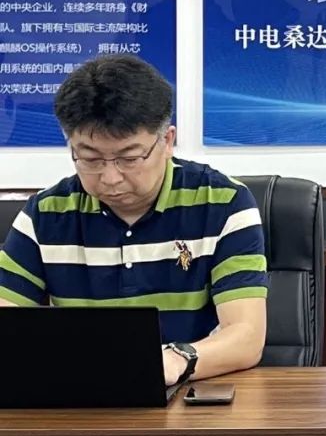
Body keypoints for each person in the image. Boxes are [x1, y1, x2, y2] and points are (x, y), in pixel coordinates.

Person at [0, 55, 267, 386]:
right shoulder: (45, 214)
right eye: (90, 158)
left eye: (129, 158)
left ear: (166, 141)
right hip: (80, 394)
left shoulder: (223, 203)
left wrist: (175, 360)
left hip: (190, 390)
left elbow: (246, 337)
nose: (110, 178)